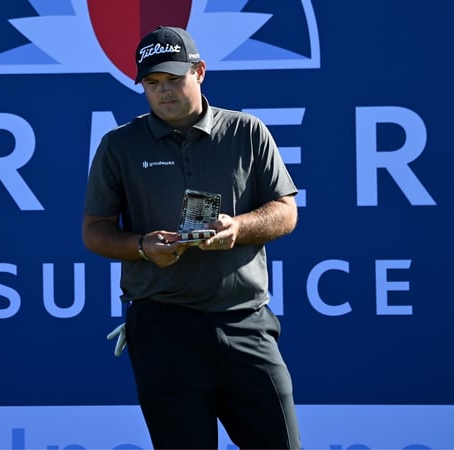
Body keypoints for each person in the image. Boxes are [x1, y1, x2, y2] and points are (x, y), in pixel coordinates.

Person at [82, 26, 301, 449]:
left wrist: (237, 229)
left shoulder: (247, 132)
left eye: (173, 80)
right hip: (164, 328)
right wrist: (144, 247)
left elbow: (286, 212)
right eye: (152, 83)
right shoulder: (119, 145)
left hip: (244, 322)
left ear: (199, 72)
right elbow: (95, 231)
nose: (163, 92)